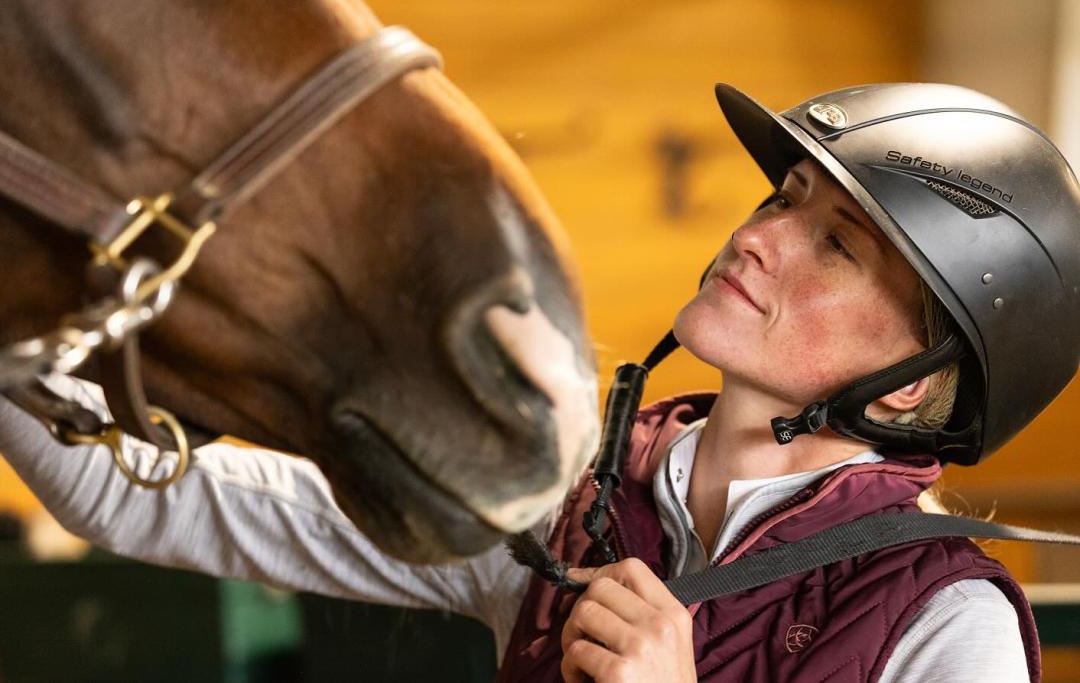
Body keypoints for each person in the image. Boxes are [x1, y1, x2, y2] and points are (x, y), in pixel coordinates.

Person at [3, 82, 1077, 683]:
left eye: (836, 244)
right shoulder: (563, 499)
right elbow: (131, 485)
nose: (762, 234)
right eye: (785, 195)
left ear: (903, 388)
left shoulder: (945, 626)